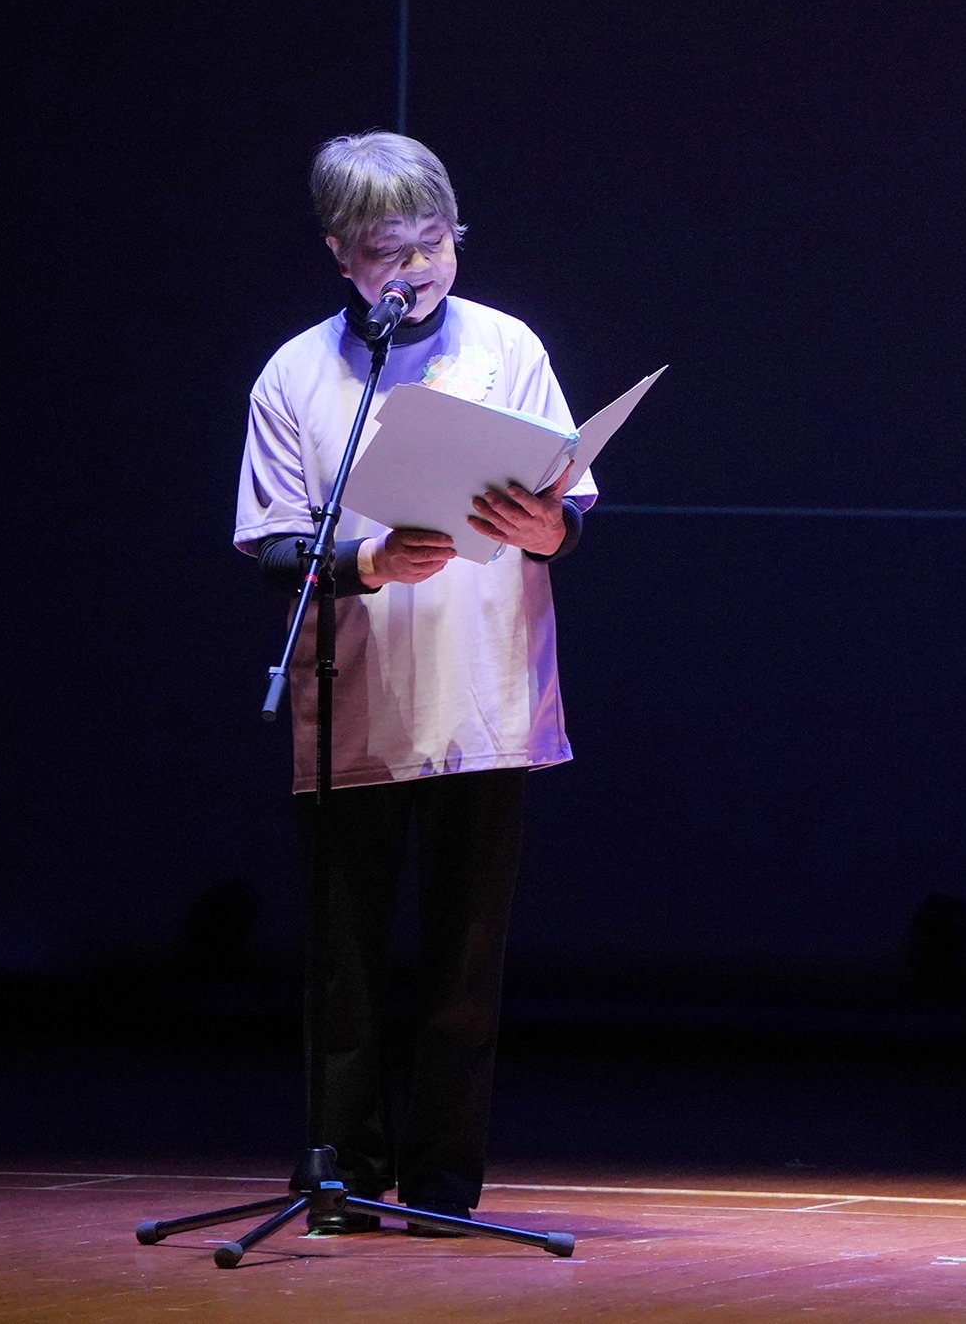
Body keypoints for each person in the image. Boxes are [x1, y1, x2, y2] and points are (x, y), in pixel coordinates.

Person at [234, 131, 596, 1235]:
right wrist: (363, 562)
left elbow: (568, 501)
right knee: (341, 960)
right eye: (390, 250)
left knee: (463, 957)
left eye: (433, 242)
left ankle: (444, 1187)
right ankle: (341, 1175)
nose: (418, 268)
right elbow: (270, 538)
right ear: (343, 256)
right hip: (355, 688)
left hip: (483, 692)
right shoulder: (298, 373)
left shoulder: (506, 345)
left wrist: (552, 525)